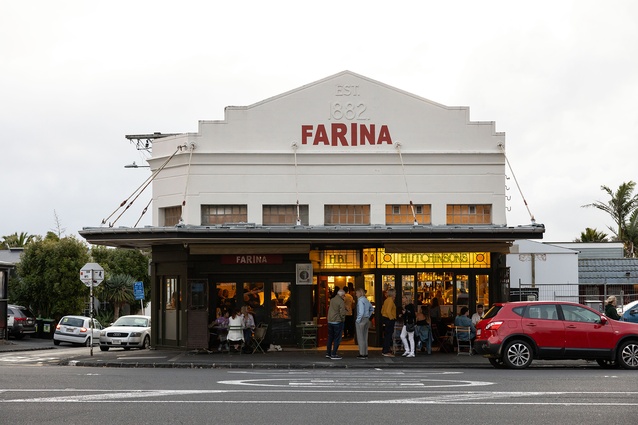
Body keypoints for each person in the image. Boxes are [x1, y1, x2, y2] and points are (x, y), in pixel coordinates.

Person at [326, 289, 346, 360]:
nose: (344, 297)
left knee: (330, 337)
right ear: (342, 295)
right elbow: (342, 312)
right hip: (337, 321)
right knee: (337, 338)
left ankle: (328, 353)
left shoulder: (332, 300)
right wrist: (343, 319)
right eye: (344, 295)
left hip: (330, 321)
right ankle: (334, 353)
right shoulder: (341, 301)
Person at [355, 288, 374, 359]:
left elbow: (361, 312)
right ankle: (365, 353)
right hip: (366, 319)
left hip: (361, 320)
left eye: (357, 293)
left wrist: (358, 320)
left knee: (360, 337)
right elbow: (372, 309)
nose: (356, 294)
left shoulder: (360, 301)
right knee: (365, 337)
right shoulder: (366, 300)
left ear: (360, 293)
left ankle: (362, 353)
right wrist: (368, 316)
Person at [381, 289, 397, 357]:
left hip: (385, 318)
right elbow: (388, 311)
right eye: (395, 293)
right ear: (393, 293)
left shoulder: (386, 300)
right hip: (389, 319)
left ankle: (385, 349)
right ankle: (386, 351)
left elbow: (382, 310)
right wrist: (392, 318)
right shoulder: (390, 300)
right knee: (388, 335)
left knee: (387, 335)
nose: (396, 294)